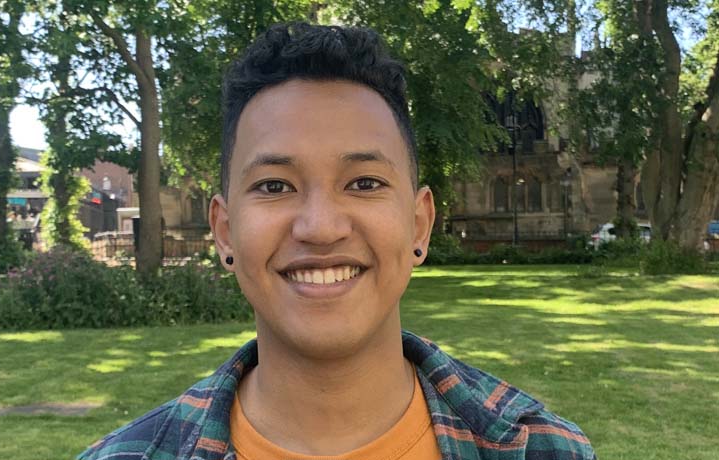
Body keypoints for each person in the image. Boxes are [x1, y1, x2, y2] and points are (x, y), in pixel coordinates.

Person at [78, 23, 595, 460]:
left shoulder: (546, 449)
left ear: (419, 225)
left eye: (365, 183)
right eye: (275, 186)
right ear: (224, 230)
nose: (321, 228)